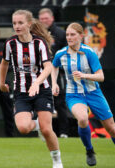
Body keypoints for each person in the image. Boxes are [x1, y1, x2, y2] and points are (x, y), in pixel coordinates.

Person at [51, 22, 115, 168]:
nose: (69, 37)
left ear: (81, 36)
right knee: (83, 118)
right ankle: (89, 150)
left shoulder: (89, 52)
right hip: (74, 94)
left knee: (111, 128)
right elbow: (53, 66)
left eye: (73, 34)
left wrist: (84, 75)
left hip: (93, 93)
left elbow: (101, 76)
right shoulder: (61, 53)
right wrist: (54, 83)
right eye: (67, 35)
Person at [0, 9, 63, 168]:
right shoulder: (10, 43)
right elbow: (5, 63)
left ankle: (57, 162)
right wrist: (1, 83)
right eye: (14, 23)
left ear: (29, 23)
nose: (17, 26)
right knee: (22, 128)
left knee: (48, 130)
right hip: (21, 92)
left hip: (42, 90)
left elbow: (48, 67)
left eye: (20, 23)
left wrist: (37, 83)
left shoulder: (39, 43)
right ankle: (38, 125)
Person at [38, 8, 70, 138]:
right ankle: (43, 131)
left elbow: (67, 54)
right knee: (41, 103)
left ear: (52, 18)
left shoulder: (61, 34)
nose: (44, 21)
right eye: (41, 19)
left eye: (46, 18)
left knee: (60, 104)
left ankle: (64, 132)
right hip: (40, 74)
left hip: (57, 74)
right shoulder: (36, 34)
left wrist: (58, 69)